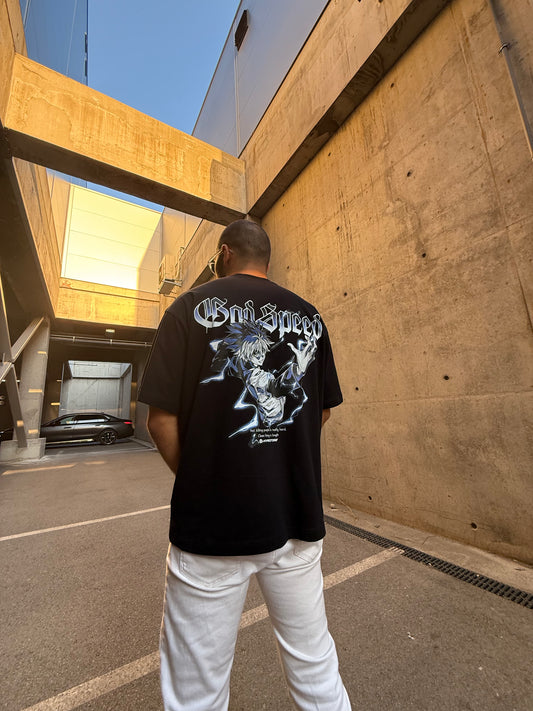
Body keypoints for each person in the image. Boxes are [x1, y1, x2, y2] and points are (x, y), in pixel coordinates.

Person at [138, 219, 351, 711]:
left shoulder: (188, 308)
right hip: (296, 521)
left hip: (212, 528)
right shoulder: (311, 318)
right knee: (315, 666)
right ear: (267, 260)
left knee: (196, 690)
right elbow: (320, 411)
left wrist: (205, 479)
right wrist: (279, 457)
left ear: (225, 253)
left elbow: (160, 421)